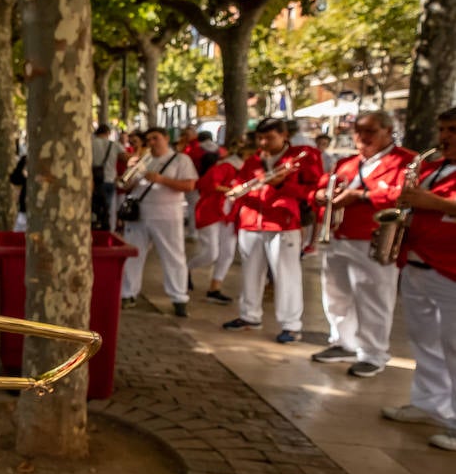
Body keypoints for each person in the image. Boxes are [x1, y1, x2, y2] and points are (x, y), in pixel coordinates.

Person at [310, 111, 414, 378]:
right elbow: (320, 189)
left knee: (374, 298)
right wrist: (321, 194)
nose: (361, 137)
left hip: (375, 238)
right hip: (339, 235)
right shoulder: (346, 163)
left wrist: (362, 196)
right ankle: (342, 342)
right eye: (358, 130)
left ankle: (373, 353)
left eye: (369, 131)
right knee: (336, 295)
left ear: (388, 131)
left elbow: (405, 194)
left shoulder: (405, 160)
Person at [385, 108, 456, 451]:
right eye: (443, 129)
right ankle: (428, 403)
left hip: (451, 268)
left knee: (454, 346)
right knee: (424, 341)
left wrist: (432, 201)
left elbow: (439, 206)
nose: (445, 137)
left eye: (453, 130)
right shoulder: (432, 168)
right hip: (417, 261)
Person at [222, 118, 323, 343]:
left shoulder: (299, 158)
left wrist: (280, 184)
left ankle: (291, 325)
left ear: (284, 135)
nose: (264, 142)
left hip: (282, 223)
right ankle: (249, 316)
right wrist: (236, 188)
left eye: (269, 137)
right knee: (250, 272)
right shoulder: (254, 160)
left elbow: (313, 189)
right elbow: (239, 183)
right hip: (250, 222)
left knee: (286, 275)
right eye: (260, 138)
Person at [117, 127, 197, 317]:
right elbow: (125, 184)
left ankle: (179, 297)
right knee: (133, 254)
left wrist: (161, 179)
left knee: (173, 255)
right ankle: (128, 293)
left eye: (156, 138)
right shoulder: (144, 159)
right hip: (140, 214)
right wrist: (130, 173)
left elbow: (189, 185)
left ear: (166, 138)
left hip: (168, 214)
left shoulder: (180, 159)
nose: (152, 142)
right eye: (149, 139)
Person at [187, 137, 245, 305]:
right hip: (212, 211)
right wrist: (234, 190)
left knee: (227, 252)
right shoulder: (226, 166)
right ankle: (185, 269)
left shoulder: (251, 168)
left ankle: (215, 288)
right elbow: (208, 184)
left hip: (231, 214)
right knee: (211, 253)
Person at [91, 124, 119, 232]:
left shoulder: (90, 143)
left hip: (94, 181)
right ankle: (106, 230)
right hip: (110, 180)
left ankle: (96, 228)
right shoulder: (114, 145)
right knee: (107, 207)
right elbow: (125, 156)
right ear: (108, 133)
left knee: (94, 207)